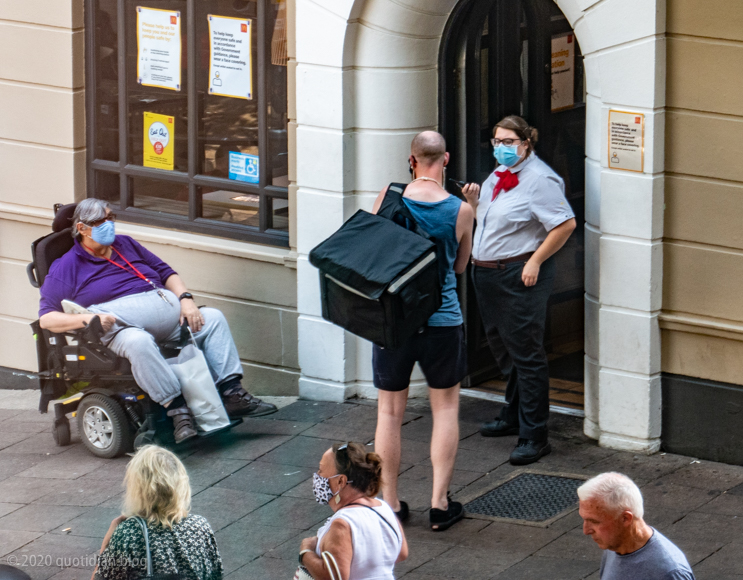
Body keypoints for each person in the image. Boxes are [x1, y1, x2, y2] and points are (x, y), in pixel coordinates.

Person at [38, 198, 276, 444]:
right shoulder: (67, 266)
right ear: (82, 228)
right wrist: (90, 318)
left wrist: (185, 299)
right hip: (123, 330)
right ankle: (177, 410)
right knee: (139, 342)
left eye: (111, 218)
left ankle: (232, 393)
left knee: (213, 318)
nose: (109, 224)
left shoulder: (126, 244)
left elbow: (166, 273)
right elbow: (47, 318)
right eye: (101, 221)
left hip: (168, 317)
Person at [371, 131, 475, 531]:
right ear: (445, 159)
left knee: (389, 411)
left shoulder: (387, 196)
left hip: (394, 320)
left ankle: (391, 502)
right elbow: (461, 266)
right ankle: (438, 503)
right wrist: (473, 208)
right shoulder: (459, 210)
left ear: (411, 159)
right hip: (442, 320)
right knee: (445, 408)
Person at [463, 115, 576, 466]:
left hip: (518, 274)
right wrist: (471, 205)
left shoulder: (540, 180)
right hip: (487, 274)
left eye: (509, 142)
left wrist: (535, 262)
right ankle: (512, 414)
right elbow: (491, 221)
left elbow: (565, 224)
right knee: (501, 346)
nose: (502, 148)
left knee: (526, 354)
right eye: (497, 141)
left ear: (526, 143)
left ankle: (534, 434)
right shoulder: (498, 174)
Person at [92, 445, 223, 580]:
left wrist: (106, 545)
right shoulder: (200, 527)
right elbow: (216, 575)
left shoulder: (128, 534)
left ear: (138, 489)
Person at [299, 443, 408, 580]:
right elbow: (401, 552)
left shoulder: (342, 523)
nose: (317, 476)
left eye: (321, 470)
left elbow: (334, 576)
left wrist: (306, 552)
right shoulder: (383, 507)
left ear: (341, 481)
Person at [578, 472, 695, 580]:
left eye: (595, 521)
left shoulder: (669, 572)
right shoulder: (614, 545)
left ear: (625, 519)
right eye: (584, 519)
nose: (586, 530)